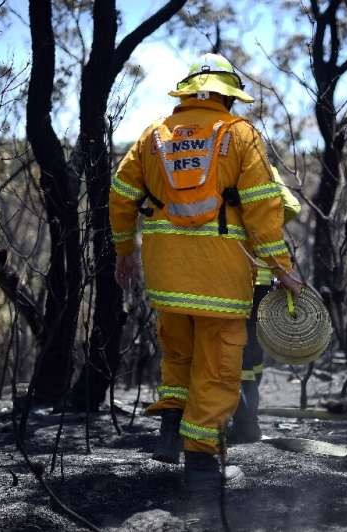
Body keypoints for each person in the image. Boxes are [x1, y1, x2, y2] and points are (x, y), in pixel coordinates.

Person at [109, 53, 301, 491]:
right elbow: (263, 209)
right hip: (221, 280)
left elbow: (120, 195)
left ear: (189, 92)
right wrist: (282, 268)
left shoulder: (153, 136)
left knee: (178, 353)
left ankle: (170, 429)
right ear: (227, 97)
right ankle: (201, 468)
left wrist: (124, 251)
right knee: (217, 365)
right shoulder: (240, 135)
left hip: (166, 276)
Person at [229, 167, 301, 444]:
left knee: (221, 351)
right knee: (250, 355)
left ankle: (224, 423)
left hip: (218, 278)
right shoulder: (261, 168)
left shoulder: (212, 165)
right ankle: (246, 424)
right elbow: (290, 207)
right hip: (258, 275)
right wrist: (261, 222)